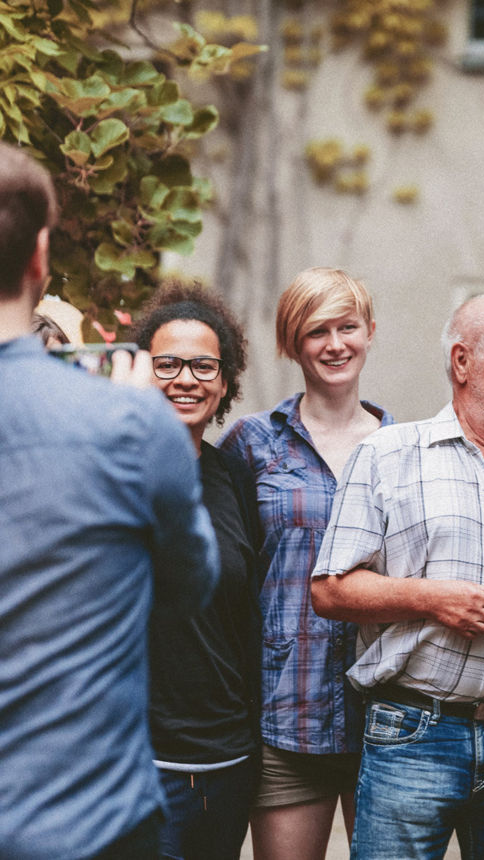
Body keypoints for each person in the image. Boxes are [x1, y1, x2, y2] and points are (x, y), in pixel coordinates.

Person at [311, 293, 484, 860]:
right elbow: (330, 589)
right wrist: (431, 598)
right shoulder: (389, 456)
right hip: (415, 732)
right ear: (463, 362)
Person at [0, 143, 217, 858]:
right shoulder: (129, 422)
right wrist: (138, 420)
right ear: (40, 256)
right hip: (89, 823)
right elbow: (191, 586)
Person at [218, 267, 393, 860]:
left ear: (370, 332)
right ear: (293, 343)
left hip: (388, 719)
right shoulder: (252, 444)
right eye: (317, 330)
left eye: (348, 327)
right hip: (287, 713)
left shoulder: (404, 448)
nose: (335, 344)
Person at [134, 281, 264, 859]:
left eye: (203, 365)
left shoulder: (234, 476)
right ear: (141, 372)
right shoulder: (112, 471)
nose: (185, 378)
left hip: (229, 761)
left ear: (225, 380)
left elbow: (247, 614)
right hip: (142, 760)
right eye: (167, 363)